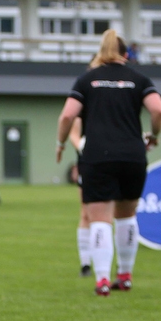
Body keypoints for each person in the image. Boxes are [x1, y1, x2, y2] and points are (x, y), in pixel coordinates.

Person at [56, 29, 161, 296]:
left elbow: (67, 117)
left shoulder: (87, 80)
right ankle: (125, 276)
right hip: (133, 155)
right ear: (126, 54)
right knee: (127, 217)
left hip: (97, 156)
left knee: (100, 220)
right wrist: (153, 136)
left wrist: (60, 143)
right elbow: (158, 110)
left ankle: (102, 280)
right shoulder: (139, 79)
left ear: (101, 53)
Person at [67, 116, 90, 277]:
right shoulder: (83, 108)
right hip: (89, 164)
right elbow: (73, 134)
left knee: (114, 215)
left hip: (114, 163)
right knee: (85, 213)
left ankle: (121, 267)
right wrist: (84, 147)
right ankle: (85, 263)